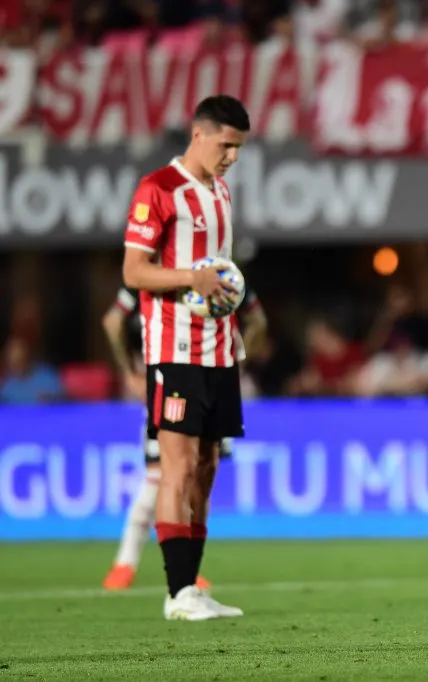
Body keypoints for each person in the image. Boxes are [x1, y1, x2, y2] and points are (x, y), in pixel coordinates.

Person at [122, 94, 252, 621]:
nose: (232, 158)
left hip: (219, 351)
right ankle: (177, 594)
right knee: (176, 466)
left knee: (205, 467)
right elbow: (134, 271)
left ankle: (192, 588)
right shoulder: (158, 189)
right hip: (172, 352)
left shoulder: (220, 193)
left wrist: (226, 291)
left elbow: (215, 270)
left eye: (239, 149)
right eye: (226, 146)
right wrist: (190, 280)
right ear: (200, 134)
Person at [101, 284, 266, 591]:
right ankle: (128, 564)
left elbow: (258, 321)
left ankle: (182, 569)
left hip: (201, 376)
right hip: (169, 377)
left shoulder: (220, 276)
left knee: (194, 474)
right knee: (162, 473)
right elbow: (112, 322)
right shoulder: (153, 279)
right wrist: (131, 373)